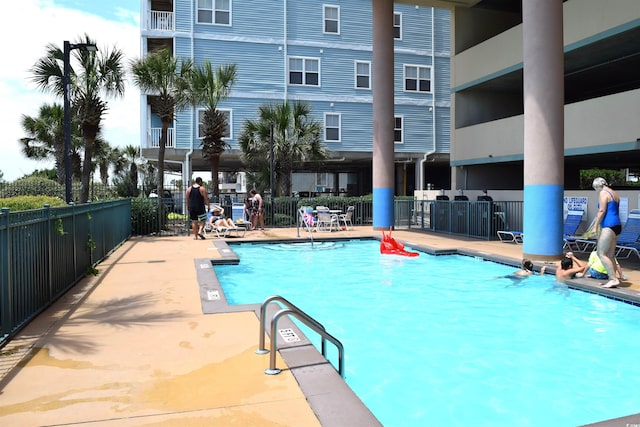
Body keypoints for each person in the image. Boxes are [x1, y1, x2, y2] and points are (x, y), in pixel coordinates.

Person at [586, 177, 621, 288]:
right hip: (617, 226)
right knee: (610, 255)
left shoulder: (603, 193)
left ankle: (613, 279)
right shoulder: (614, 194)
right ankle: (613, 279)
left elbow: (602, 210)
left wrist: (595, 226)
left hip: (608, 226)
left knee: (601, 253)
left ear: (597, 186)